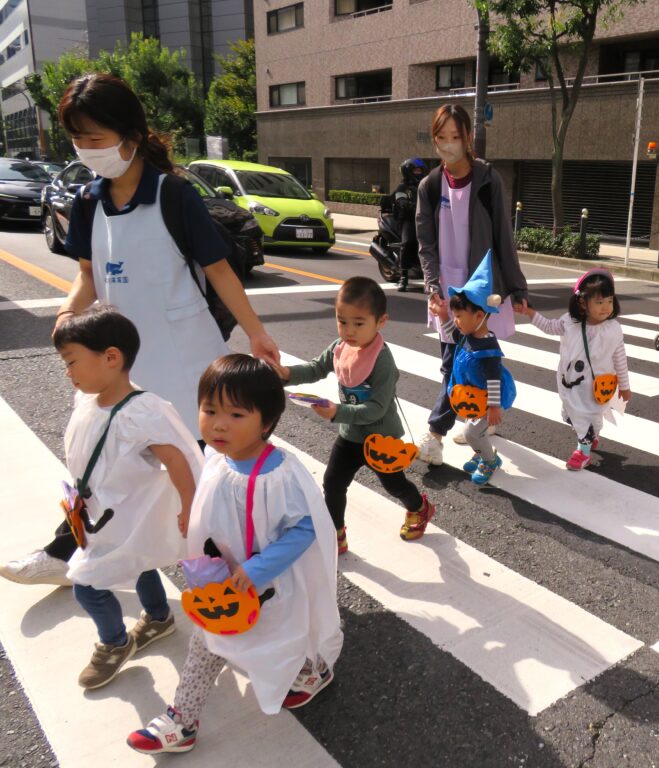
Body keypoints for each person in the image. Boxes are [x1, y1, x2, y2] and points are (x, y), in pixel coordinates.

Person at [0, 73, 281, 587]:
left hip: (185, 362)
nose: (86, 149)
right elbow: (87, 275)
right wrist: (66, 315)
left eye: (95, 138)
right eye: (78, 139)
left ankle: (239, 578)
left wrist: (257, 335)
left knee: (204, 478)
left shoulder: (173, 194)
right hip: (119, 364)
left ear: (129, 135)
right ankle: (67, 554)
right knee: (100, 471)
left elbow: (219, 270)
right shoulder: (87, 201)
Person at [127, 355, 343, 755]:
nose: (218, 423)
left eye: (236, 413)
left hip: (271, 584)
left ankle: (313, 671)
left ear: (266, 422)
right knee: (209, 641)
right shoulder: (217, 459)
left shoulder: (278, 474)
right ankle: (182, 721)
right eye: (209, 410)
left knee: (280, 637)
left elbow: (308, 525)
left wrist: (260, 566)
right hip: (223, 584)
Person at [54, 307, 203, 690]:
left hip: (128, 514)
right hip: (102, 516)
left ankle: (114, 643)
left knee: (87, 585)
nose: (67, 371)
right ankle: (158, 617)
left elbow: (178, 459)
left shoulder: (142, 411)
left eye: (72, 361)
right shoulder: (89, 401)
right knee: (141, 563)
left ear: (111, 357)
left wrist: (189, 506)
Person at [272, 277, 436, 553]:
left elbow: (376, 409)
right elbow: (316, 368)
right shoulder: (341, 346)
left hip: (380, 439)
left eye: (359, 323)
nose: (349, 330)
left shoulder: (382, 360)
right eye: (342, 321)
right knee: (333, 484)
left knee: (395, 485)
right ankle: (336, 534)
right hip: (350, 436)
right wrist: (286, 374)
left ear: (380, 321)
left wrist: (337, 411)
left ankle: (420, 508)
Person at [414, 103, 528, 467]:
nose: (448, 144)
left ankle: (435, 435)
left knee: (461, 365)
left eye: (456, 137)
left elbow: (502, 236)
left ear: (468, 139)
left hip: (479, 289)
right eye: (441, 137)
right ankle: (480, 419)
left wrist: (516, 286)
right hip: (448, 290)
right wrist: (433, 288)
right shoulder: (430, 186)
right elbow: (425, 244)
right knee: (460, 364)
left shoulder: (487, 179)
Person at [515, 268, 631, 470]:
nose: (606, 307)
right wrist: (530, 313)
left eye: (609, 301)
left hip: (597, 384)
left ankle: (583, 450)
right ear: (583, 303)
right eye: (599, 302)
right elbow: (550, 327)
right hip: (572, 382)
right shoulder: (570, 322)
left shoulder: (613, 328)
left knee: (583, 416)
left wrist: (624, 385)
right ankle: (590, 433)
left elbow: (619, 356)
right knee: (570, 414)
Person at [428, 253, 516, 486]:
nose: (456, 321)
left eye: (459, 316)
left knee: (471, 432)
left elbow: (494, 378)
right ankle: (481, 453)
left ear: (479, 316)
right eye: (455, 316)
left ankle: (490, 460)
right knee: (473, 429)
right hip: (473, 397)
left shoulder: (487, 347)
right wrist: (444, 314)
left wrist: (494, 406)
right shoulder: (468, 335)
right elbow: (452, 333)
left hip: (487, 400)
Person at [391, 157, 428, 292]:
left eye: (420, 170)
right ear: (408, 172)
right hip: (409, 220)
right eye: (416, 170)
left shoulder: (425, 185)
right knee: (407, 243)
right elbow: (399, 198)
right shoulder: (403, 187)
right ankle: (403, 276)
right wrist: (403, 202)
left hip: (425, 220)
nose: (418, 172)